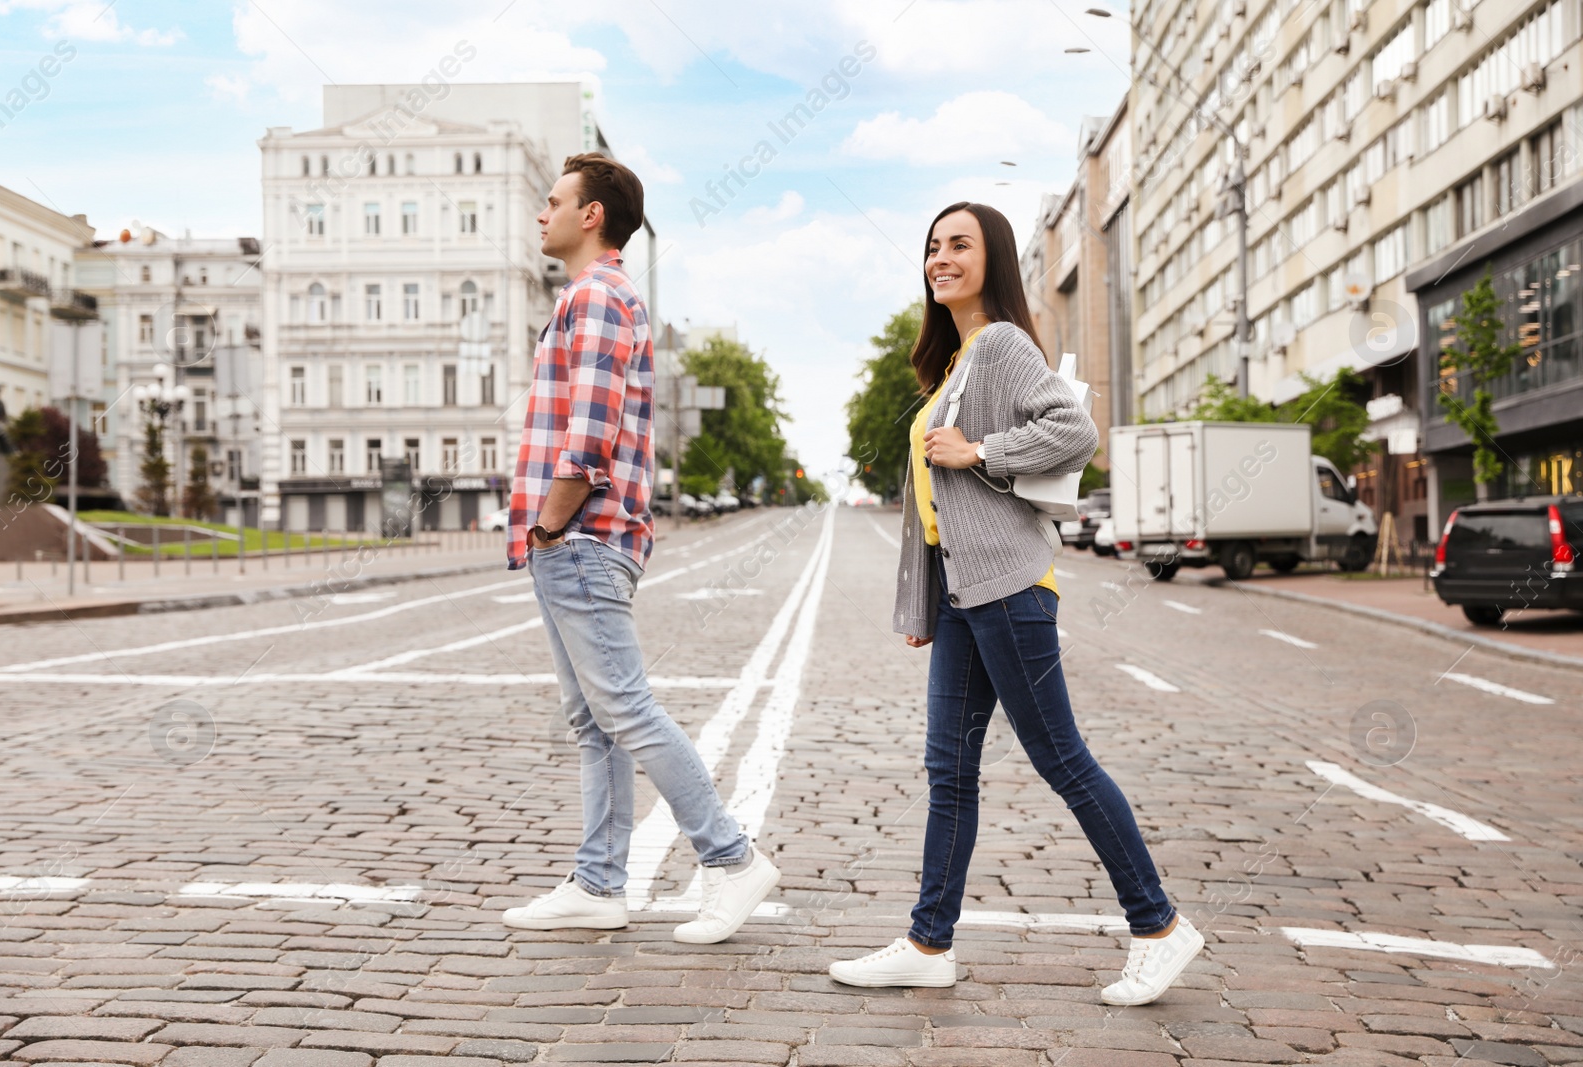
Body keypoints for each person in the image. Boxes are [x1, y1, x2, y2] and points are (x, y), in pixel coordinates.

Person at [827, 202, 1201, 1005]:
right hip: (968, 598)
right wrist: (928, 605)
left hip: (1009, 591)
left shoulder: (998, 344)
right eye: (932, 246)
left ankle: (1161, 926)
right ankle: (930, 942)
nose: (940, 257)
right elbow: (934, 509)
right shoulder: (958, 361)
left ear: (993, 257)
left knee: (1062, 759)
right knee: (949, 769)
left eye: (959, 244)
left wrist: (980, 449)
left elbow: (1073, 429)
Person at [500, 152, 779, 944]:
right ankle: (598, 882)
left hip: (581, 537)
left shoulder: (596, 298)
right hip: (578, 539)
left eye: (553, 201)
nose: (541, 213)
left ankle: (730, 858)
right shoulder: (599, 297)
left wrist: (550, 525)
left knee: (623, 707)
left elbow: (587, 440)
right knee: (594, 720)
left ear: (592, 216)